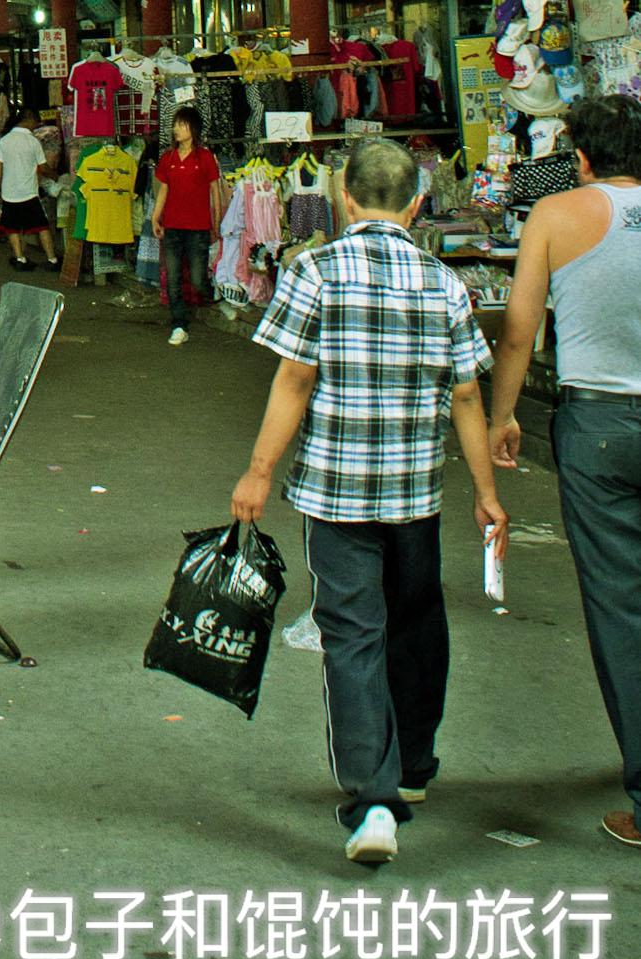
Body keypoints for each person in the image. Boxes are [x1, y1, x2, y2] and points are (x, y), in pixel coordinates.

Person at [231, 136, 506, 867]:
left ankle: (372, 800)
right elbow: (467, 393)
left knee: (352, 635)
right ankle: (413, 766)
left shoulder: (313, 269)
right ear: (417, 203)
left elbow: (293, 381)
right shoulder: (443, 281)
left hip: (336, 491)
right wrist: (486, 492)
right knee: (417, 620)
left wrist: (259, 471)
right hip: (417, 493)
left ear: (344, 195)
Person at [488, 94, 641, 847]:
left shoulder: (557, 214)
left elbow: (520, 331)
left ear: (580, 156)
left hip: (601, 426)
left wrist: (500, 416)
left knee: (621, 604)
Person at [152, 105, 225, 344]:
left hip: (198, 229)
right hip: (172, 227)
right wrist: (155, 217)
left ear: (192, 128)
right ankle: (179, 325)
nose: (176, 129)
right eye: (175, 125)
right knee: (173, 278)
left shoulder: (204, 157)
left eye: (181, 125)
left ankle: (214, 295)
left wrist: (216, 223)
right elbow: (164, 189)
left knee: (196, 278)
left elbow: (215, 191)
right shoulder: (168, 158)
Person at [0, 113, 55, 268]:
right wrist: (56, 176)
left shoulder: (4, 141)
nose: (36, 125)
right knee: (42, 226)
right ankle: (51, 259)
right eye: (35, 121)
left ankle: (20, 258)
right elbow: (43, 167)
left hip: (9, 193)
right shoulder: (33, 141)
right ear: (27, 121)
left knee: (12, 227)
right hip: (29, 192)